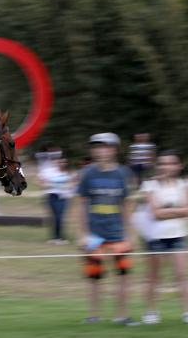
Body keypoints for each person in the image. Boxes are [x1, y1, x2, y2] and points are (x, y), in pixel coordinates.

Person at [140, 150, 188, 326]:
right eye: (162, 163)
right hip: (155, 237)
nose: (166, 166)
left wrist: (168, 210)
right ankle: (151, 312)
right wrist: (179, 210)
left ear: (179, 166)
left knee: (182, 276)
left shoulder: (185, 184)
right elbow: (155, 213)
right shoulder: (150, 185)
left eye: (170, 163)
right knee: (153, 278)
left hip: (179, 235)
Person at [77, 133, 138, 326]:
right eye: (97, 147)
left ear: (114, 149)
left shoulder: (123, 173)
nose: (101, 150)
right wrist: (82, 234)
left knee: (123, 276)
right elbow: (80, 205)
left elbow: (127, 204)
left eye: (105, 147)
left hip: (118, 234)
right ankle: (94, 316)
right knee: (95, 277)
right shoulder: (87, 173)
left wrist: (130, 234)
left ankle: (122, 316)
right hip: (94, 236)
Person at [38, 154, 76, 245]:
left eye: (64, 162)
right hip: (52, 196)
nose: (62, 163)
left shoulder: (69, 173)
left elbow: (73, 184)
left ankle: (60, 237)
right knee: (54, 217)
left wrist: (68, 187)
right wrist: (49, 185)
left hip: (63, 197)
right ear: (57, 162)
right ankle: (55, 238)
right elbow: (41, 181)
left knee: (60, 217)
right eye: (60, 161)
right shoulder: (50, 172)